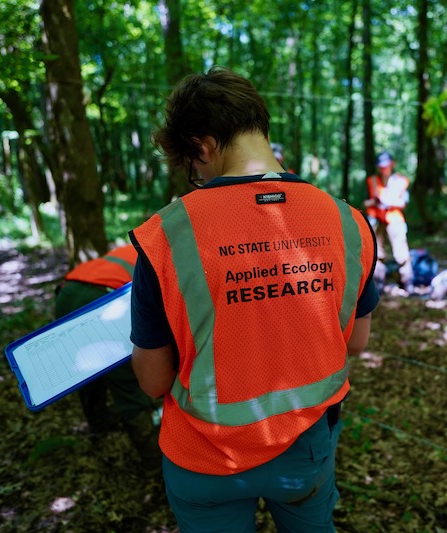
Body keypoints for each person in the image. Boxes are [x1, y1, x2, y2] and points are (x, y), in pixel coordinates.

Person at [128, 67, 379, 532]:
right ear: (260, 128)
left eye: (192, 165)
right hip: (306, 448)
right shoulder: (350, 224)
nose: (196, 176)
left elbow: (152, 379)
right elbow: (357, 342)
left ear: (202, 145)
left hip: (202, 458)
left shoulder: (166, 235)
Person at [55, 245, 160, 473]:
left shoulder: (138, 246)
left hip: (68, 291)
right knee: (128, 384)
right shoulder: (170, 260)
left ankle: (98, 422)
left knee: (84, 367)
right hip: (105, 300)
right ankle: (153, 461)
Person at [364, 151, 414, 294]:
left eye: (386, 166)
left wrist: (388, 202)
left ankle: (407, 281)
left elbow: (404, 202)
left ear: (392, 164)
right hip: (376, 220)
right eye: (381, 166)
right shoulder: (372, 181)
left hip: (394, 219)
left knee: (401, 253)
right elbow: (365, 201)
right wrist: (374, 202)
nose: (383, 169)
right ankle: (378, 283)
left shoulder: (400, 181)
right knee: (377, 253)